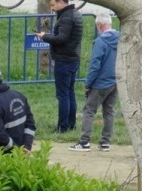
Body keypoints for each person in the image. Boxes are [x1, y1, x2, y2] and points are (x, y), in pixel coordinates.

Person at [70, 12, 118, 152]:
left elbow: (95, 65)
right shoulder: (120, 38)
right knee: (109, 111)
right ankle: (105, 142)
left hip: (100, 82)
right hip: (115, 81)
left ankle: (84, 142)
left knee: (89, 111)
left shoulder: (100, 41)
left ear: (99, 25)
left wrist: (88, 84)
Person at [35, 0, 83, 133]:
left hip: (64, 60)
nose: (52, 9)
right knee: (70, 93)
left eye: (53, 5)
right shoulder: (75, 14)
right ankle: (71, 124)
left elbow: (61, 39)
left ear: (61, 2)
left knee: (63, 95)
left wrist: (45, 36)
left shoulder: (66, 17)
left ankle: (63, 127)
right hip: (73, 58)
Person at [0, 65, 36, 153]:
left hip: (1, 156)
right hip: (22, 152)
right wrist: (26, 147)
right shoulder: (19, 95)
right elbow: (30, 123)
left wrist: (16, 150)